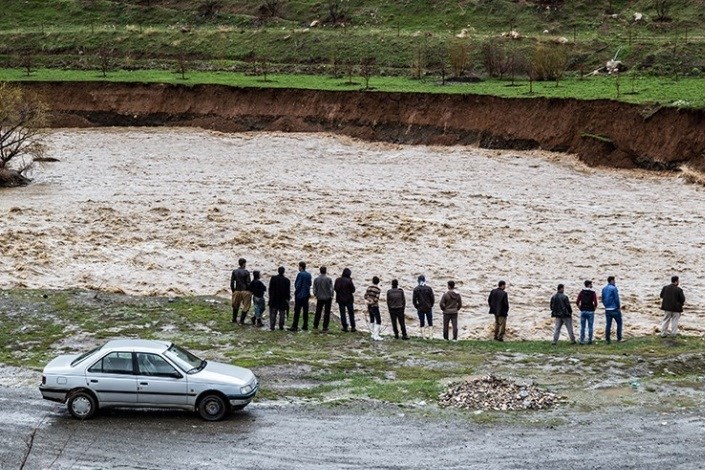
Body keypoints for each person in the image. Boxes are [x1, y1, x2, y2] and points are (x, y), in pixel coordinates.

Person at [290, 261, 312, 332]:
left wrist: (297, 291)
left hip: (299, 295)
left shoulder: (300, 274)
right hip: (306, 295)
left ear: (301, 267)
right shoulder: (309, 274)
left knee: (297, 311)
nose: (298, 268)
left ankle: (294, 326)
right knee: (305, 311)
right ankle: (305, 325)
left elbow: (298, 285)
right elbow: (310, 284)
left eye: (299, 266)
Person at [576, 280, 598, 345]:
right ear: (588, 285)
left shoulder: (581, 292)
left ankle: (582, 340)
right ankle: (590, 340)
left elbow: (577, 302)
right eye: (591, 284)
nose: (592, 285)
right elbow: (596, 303)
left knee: (582, 327)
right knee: (590, 327)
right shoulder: (593, 292)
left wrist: (580, 308)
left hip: (583, 310)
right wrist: (594, 308)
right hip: (590, 310)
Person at [230, 258, 252, 324]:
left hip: (237, 290)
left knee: (235, 305)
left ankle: (234, 319)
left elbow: (232, 282)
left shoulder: (234, 271)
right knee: (246, 306)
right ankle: (241, 321)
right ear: (244, 264)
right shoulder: (246, 272)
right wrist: (250, 291)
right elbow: (248, 283)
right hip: (245, 291)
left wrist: (233, 290)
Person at [268, 267, 290, 331]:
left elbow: (270, 289)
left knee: (273, 313)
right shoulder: (287, 280)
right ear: (284, 272)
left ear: (278, 271)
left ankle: (272, 326)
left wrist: (270, 297)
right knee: (282, 314)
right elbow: (287, 292)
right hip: (282, 299)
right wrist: (287, 299)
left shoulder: (273, 278)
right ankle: (281, 326)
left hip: (274, 299)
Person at [412, 275, 435, 339]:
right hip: (428, 307)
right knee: (430, 321)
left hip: (420, 308)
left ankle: (423, 336)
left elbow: (414, 300)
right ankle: (431, 336)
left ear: (418, 281)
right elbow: (432, 298)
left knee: (422, 322)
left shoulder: (416, 289)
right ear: (425, 280)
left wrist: (417, 306)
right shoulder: (429, 288)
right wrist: (431, 305)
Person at [334, 268, 356, 332]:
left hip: (340, 299)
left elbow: (335, 289)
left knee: (342, 313)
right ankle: (353, 327)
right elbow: (353, 290)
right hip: (349, 299)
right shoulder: (349, 281)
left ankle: (345, 327)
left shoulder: (337, 280)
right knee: (351, 313)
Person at [312, 266, 334, 331]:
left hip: (320, 298)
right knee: (327, 313)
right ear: (325, 271)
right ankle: (325, 327)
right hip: (327, 298)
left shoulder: (316, 279)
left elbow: (314, 290)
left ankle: (315, 325)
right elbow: (331, 289)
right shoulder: (329, 279)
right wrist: (331, 295)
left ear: (320, 271)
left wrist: (316, 295)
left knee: (318, 312)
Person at [601, 276, 622, 344]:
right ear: (611, 281)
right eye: (614, 280)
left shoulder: (604, 289)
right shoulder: (614, 288)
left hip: (607, 309)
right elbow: (616, 298)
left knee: (608, 325)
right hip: (614, 309)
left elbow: (602, 299)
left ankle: (607, 339)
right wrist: (618, 307)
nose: (615, 282)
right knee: (619, 323)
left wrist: (606, 305)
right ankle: (619, 338)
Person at [365, 276, 383, 341]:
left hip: (369, 306)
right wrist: (372, 302)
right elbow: (376, 299)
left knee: (372, 319)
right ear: (378, 282)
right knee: (378, 320)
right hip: (374, 306)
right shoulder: (378, 289)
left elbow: (365, 296)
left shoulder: (369, 288)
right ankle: (376, 335)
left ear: (372, 281)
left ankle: (372, 334)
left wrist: (369, 301)